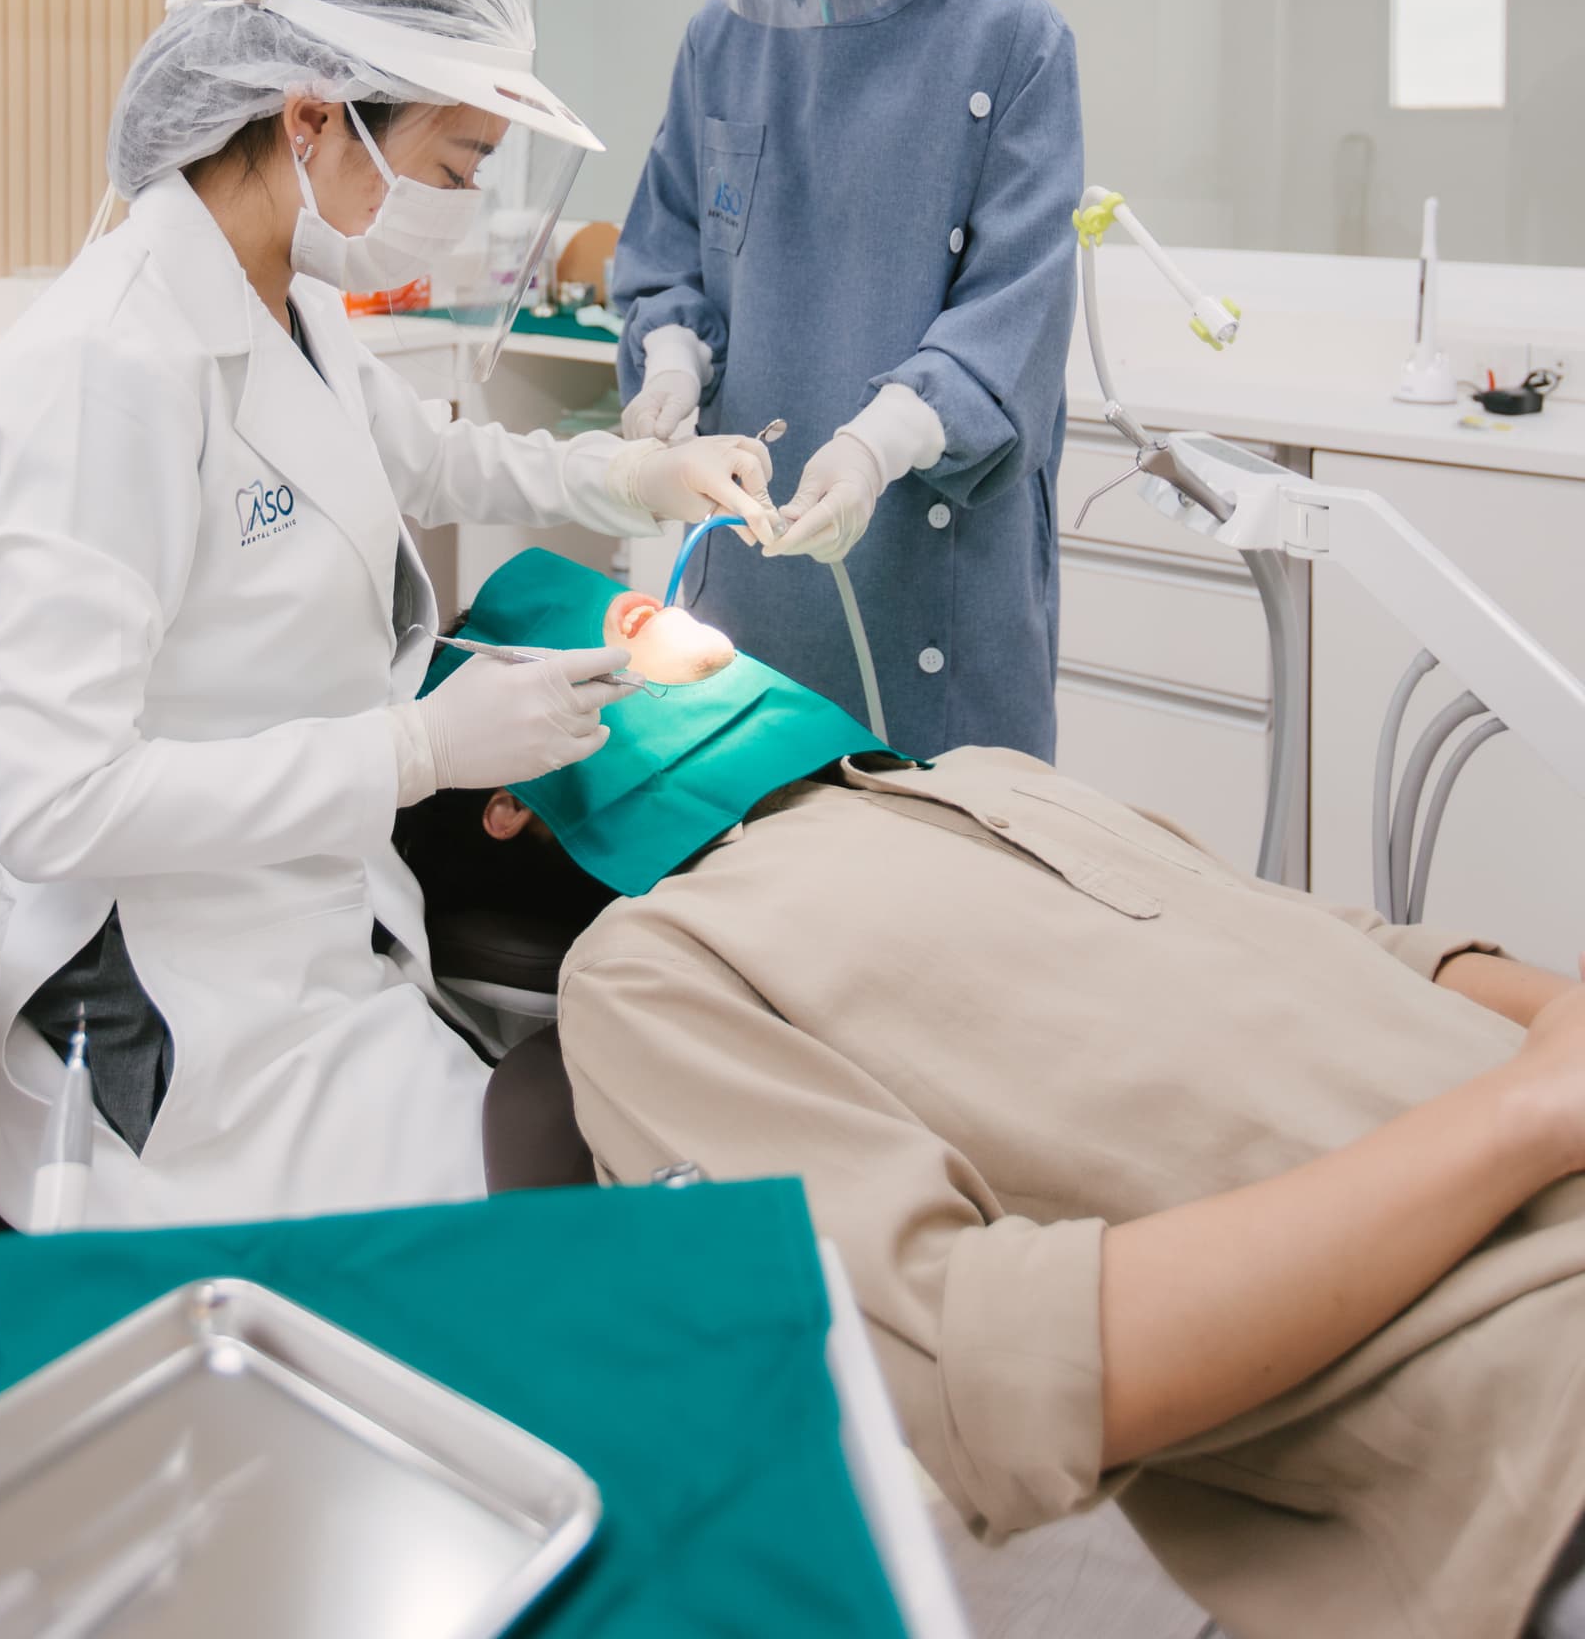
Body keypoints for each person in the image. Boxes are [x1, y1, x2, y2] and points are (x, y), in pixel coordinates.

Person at [394, 554, 1585, 1639]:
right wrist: (1526, 1119)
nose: (659, 621)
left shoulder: (981, 779)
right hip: (1541, 1407)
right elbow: (999, 1371)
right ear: (510, 792)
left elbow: (1352, 945)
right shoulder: (657, 968)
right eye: (609, 636)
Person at [0, 0, 774, 1234]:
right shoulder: (108, 367)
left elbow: (428, 463)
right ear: (313, 120)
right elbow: (54, 804)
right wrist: (419, 750)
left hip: (313, 926)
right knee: (520, 1246)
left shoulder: (291, 302)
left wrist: (632, 476)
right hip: (170, 1009)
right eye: (454, 165)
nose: (466, 206)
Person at [613, 0, 1081, 758]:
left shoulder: (1010, 37)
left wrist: (877, 447)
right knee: (744, 816)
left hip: (929, 561)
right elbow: (672, 245)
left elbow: (1017, 306)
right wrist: (672, 359)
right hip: (750, 561)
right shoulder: (723, 35)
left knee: (930, 842)